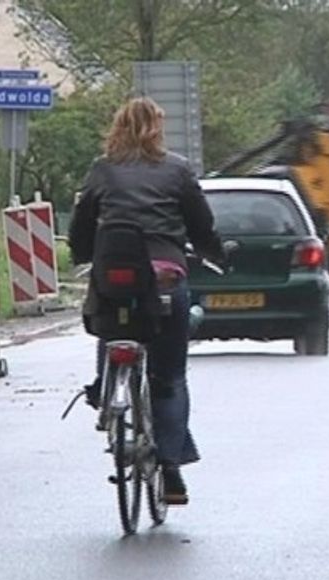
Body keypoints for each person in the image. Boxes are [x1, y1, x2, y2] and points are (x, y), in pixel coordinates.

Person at [68, 97, 226, 506]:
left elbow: (82, 223)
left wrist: (83, 253)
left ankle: (107, 392)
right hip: (165, 278)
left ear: (117, 128)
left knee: (112, 320)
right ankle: (171, 471)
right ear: (158, 129)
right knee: (169, 377)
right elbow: (201, 223)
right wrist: (213, 251)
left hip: (113, 276)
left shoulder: (102, 170)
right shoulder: (177, 170)